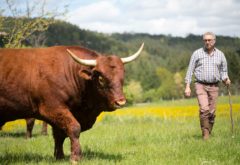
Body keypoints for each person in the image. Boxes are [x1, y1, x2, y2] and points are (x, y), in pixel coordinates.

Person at [184, 32, 231, 140]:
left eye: (209, 40)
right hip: (200, 84)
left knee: (212, 113)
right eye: (205, 40)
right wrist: (187, 86)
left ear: (214, 41)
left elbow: (224, 71)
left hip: (214, 86)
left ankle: (208, 131)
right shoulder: (197, 54)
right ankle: (205, 135)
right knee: (204, 109)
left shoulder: (220, 55)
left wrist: (226, 79)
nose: (207, 42)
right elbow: (190, 70)